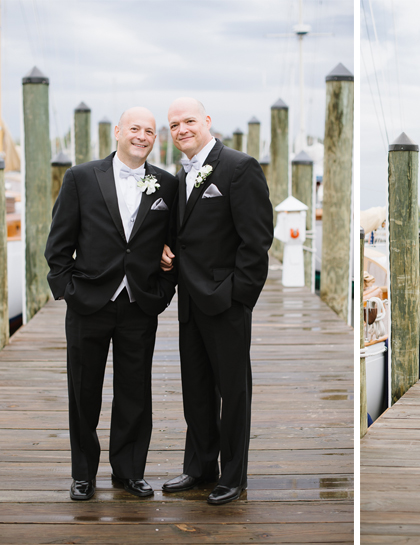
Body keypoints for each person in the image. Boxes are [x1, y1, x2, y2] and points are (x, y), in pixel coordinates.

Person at [45, 107, 178, 500]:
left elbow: (174, 244)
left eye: (150, 131)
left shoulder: (167, 185)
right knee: (84, 391)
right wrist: (69, 290)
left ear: (156, 140)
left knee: (135, 392)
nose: (142, 136)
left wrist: (164, 289)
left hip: (139, 302)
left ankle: (129, 471)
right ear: (118, 131)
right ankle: (83, 473)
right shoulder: (81, 177)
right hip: (89, 301)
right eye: (134, 128)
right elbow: (58, 246)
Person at [160, 97, 273, 505]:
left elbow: (257, 241)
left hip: (225, 303)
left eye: (188, 121)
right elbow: (185, 231)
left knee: (233, 391)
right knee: (197, 389)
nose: (181, 130)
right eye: (173, 125)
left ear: (207, 121)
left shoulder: (239, 167)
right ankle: (199, 466)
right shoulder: (182, 173)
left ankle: (233, 476)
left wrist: (237, 298)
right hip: (189, 301)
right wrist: (165, 248)